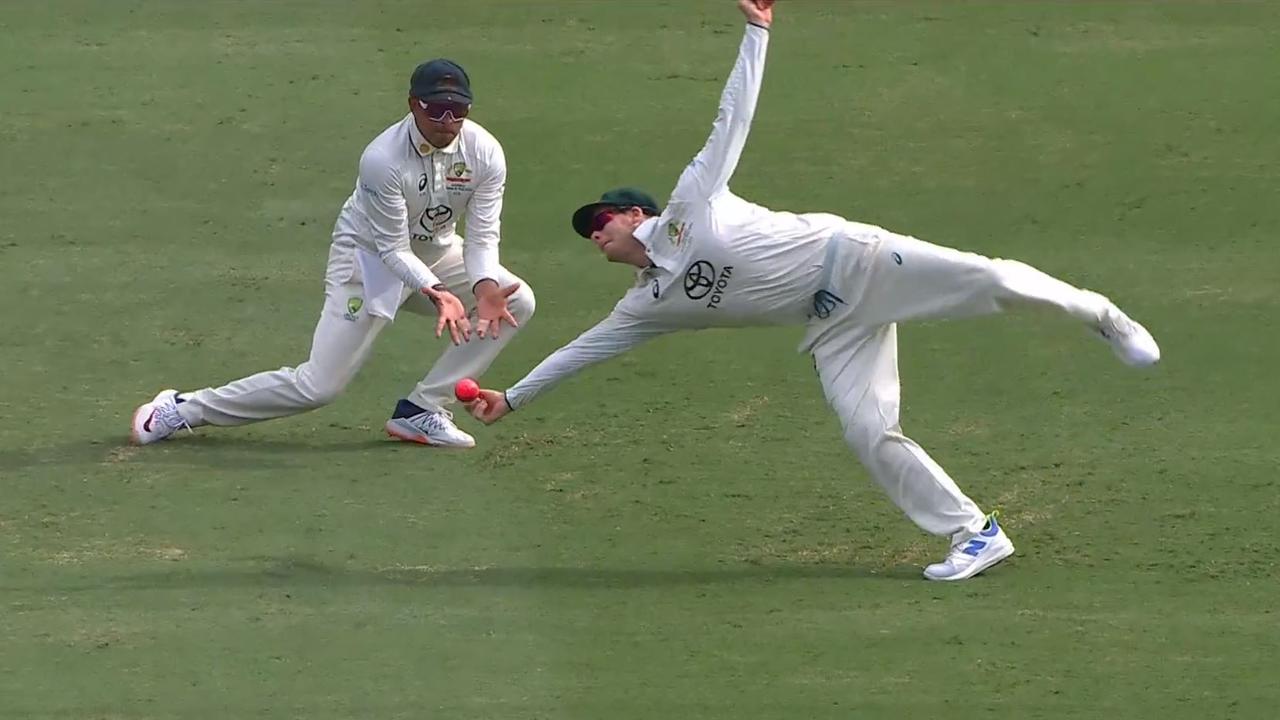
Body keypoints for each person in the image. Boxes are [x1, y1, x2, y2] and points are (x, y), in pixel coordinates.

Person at [464, 0, 1161, 581]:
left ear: (637, 215)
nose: (596, 233)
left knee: (988, 278)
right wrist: (513, 397)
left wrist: (757, 31)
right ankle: (975, 533)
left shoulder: (692, 203)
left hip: (856, 259)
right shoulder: (647, 304)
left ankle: (1100, 313)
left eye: (602, 220)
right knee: (869, 431)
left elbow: (729, 119)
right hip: (832, 322)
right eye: (590, 231)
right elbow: (585, 351)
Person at [130, 58, 536, 449]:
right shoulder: (383, 159)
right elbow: (392, 249)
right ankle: (182, 408)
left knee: (514, 299)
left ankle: (422, 409)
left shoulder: (485, 153)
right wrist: (437, 291)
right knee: (318, 386)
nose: (448, 122)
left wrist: (483, 289)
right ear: (414, 105)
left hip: (438, 254)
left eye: (458, 110)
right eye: (437, 110)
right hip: (369, 262)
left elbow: (482, 237)